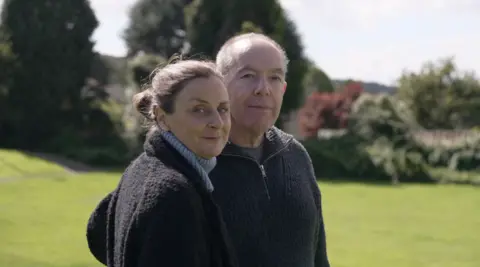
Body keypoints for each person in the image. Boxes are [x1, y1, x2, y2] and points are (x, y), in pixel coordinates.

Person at [85, 60, 238, 267]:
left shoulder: (143, 168)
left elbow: (98, 230)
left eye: (223, 109)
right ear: (162, 117)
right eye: (199, 109)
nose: (217, 122)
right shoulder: (173, 193)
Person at [208, 32, 330, 267]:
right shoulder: (197, 160)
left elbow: (319, 255)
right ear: (219, 84)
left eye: (274, 78)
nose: (263, 89)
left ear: (283, 89)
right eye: (248, 75)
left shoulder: (295, 155)